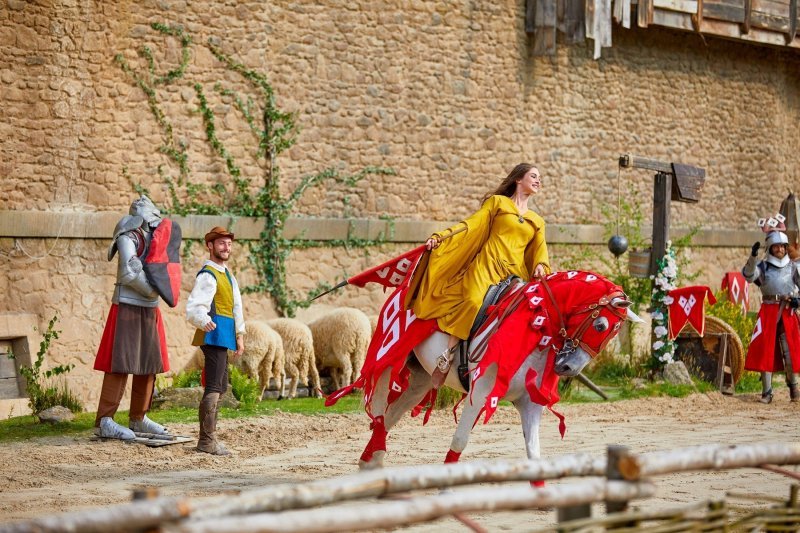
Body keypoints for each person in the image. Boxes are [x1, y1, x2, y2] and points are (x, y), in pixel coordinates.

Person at [411, 163, 551, 387]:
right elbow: (471, 225)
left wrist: (541, 265)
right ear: (518, 179)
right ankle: (448, 354)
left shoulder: (537, 220)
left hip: (514, 273)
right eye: (533, 176)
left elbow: (540, 250)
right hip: (486, 266)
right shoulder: (497, 203)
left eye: (540, 177)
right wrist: (442, 236)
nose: (538, 180)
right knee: (473, 300)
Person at [93, 195, 172, 440]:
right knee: (120, 363)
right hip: (127, 305)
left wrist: (159, 288)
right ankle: (105, 421)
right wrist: (152, 288)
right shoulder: (128, 237)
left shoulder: (156, 240)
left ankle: (139, 417)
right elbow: (128, 272)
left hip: (150, 309)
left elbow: (164, 270)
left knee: (149, 364)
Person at [186, 226, 245, 455]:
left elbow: (236, 306)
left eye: (229, 244)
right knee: (213, 386)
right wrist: (203, 319)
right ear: (210, 246)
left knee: (220, 386)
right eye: (221, 243)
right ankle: (206, 441)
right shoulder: (208, 275)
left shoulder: (227, 275)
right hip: (213, 335)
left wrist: (240, 335)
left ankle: (209, 439)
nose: (226, 247)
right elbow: (193, 307)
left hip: (224, 336)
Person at [742, 229, 800, 403]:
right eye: (776, 247)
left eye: (782, 247)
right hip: (768, 312)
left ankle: (793, 387)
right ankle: (767, 392)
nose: (780, 250)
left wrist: (797, 301)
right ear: (770, 248)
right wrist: (753, 257)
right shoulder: (763, 267)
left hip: (788, 311)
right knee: (766, 351)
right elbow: (748, 276)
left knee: (789, 351)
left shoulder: (794, 267)